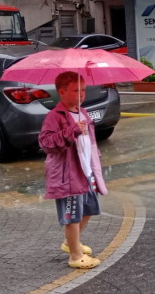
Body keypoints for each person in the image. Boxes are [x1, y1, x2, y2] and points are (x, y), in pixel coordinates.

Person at [39, 71, 108, 270]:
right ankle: (75, 256)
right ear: (61, 92)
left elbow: (89, 141)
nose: (81, 94)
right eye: (76, 90)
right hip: (67, 174)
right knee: (73, 215)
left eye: (84, 90)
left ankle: (70, 243)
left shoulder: (82, 111)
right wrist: (72, 131)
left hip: (84, 170)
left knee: (89, 208)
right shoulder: (55, 116)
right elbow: (46, 143)